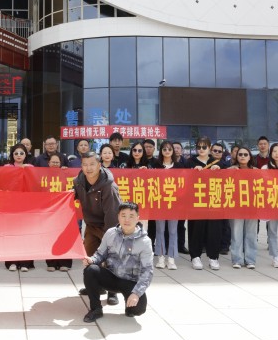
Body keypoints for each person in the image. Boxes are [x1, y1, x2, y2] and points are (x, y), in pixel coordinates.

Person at [81, 202, 153, 323]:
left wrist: (136, 293)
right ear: (118, 217)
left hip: (130, 281)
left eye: (131, 216)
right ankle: (96, 309)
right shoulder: (110, 233)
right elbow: (100, 254)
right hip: (110, 277)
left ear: (137, 218)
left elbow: (148, 271)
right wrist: (92, 260)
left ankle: (128, 303)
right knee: (90, 270)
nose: (127, 220)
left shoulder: (145, 242)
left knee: (137, 310)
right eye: (123, 215)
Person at [74, 151, 122, 306]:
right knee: (89, 257)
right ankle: (95, 286)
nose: (88, 168)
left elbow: (112, 214)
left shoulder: (109, 186)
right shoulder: (79, 181)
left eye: (92, 164)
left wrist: (110, 238)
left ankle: (113, 291)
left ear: (99, 165)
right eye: (85, 164)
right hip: (91, 225)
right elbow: (72, 196)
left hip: (109, 225)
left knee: (110, 258)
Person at [187, 136, 222, 270]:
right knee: (196, 228)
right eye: (199, 147)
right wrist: (192, 171)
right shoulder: (190, 162)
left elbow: (228, 175)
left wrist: (219, 168)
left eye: (204, 147)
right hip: (196, 201)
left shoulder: (216, 162)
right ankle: (195, 256)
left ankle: (213, 257)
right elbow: (183, 178)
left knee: (214, 229)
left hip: (213, 200)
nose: (201, 149)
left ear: (209, 148)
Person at [4, 143, 35, 271]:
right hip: (11, 205)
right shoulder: (6, 167)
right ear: (12, 155)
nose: (18, 155)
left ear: (25, 155)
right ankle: (11, 262)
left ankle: (25, 263)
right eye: (16, 153)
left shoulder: (31, 167)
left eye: (21, 153)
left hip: (27, 205)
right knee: (12, 234)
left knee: (26, 234)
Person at [153, 141, 184, 270]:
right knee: (160, 230)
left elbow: (183, 183)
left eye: (169, 149)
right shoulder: (155, 165)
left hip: (174, 203)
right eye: (164, 149)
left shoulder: (179, 166)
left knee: (172, 231)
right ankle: (160, 257)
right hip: (159, 203)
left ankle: (171, 258)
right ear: (161, 151)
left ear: (173, 151)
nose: (167, 151)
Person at [228, 147, 258, 269]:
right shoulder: (231, 170)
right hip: (236, 206)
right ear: (237, 156)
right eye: (240, 154)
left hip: (252, 206)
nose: (243, 156)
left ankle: (250, 260)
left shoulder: (256, 171)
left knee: (251, 234)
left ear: (250, 157)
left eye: (246, 154)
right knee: (236, 233)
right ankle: (237, 259)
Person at [45, 153, 72, 272]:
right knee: (50, 236)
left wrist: (66, 172)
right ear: (48, 163)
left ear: (61, 163)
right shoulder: (43, 175)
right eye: (53, 162)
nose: (55, 164)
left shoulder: (65, 174)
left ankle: (65, 262)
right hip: (49, 210)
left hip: (64, 210)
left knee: (65, 236)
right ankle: (51, 262)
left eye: (57, 162)